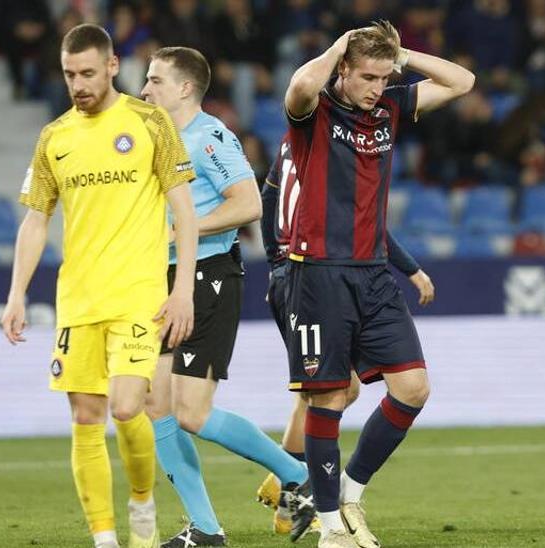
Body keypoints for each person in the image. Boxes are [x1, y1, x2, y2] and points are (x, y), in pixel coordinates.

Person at [0, 24, 198, 548]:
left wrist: (183, 290)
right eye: (70, 74)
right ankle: (105, 538)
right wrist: (17, 294)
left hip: (138, 295)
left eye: (88, 73)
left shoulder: (150, 121)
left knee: (127, 406)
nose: (78, 84)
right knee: (85, 416)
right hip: (78, 299)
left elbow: (184, 210)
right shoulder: (55, 137)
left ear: (112, 66)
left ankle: (141, 502)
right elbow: (36, 220)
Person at [283, 20, 473, 548]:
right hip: (319, 273)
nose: (375, 88)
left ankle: (348, 492)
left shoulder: (390, 105)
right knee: (328, 399)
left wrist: (400, 57)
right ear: (343, 69)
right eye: (367, 77)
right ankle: (329, 529)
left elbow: (462, 82)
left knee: (413, 387)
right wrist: (339, 45)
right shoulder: (315, 111)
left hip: (373, 272)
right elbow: (300, 85)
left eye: (383, 78)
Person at [138, 46, 314, 548]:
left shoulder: (210, 136)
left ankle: (298, 476)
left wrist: (183, 230)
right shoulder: (156, 138)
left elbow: (248, 203)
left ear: (185, 88)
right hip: (163, 279)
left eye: (155, 80)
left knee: (192, 412)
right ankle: (205, 529)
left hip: (208, 276)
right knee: (156, 404)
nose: (145, 89)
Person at [254, 133, 435, 535]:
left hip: (294, 271)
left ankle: (288, 488)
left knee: (326, 391)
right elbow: (360, 224)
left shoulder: (291, 140)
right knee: (328, 390)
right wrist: (411, 268)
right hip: (311, 275)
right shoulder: (331, 144)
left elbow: (268, 198)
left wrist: (275, 263)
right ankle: (299, 492)